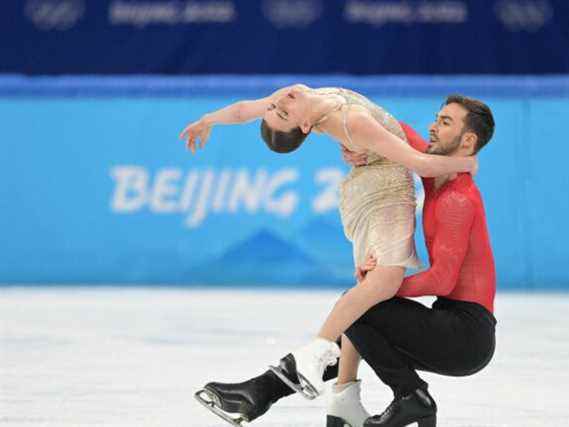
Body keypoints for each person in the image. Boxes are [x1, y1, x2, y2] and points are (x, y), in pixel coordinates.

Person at [179, 85, 476, 427]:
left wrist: (207, 120)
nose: (281, 100)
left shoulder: (293, 101)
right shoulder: (347, 121)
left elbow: (245, 108)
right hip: (383, 195)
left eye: (277, 105)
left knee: (367, 297)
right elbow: (418, 162)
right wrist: (467, 162)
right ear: (304, 127)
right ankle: (316, 352)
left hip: (373, 185)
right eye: (283, 112)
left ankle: (343, 396)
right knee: (381, 284)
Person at [344, 95, 497, 427]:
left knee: (358, 306)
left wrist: (381, 285)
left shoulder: (458, 199)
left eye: (445, 122)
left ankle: (411, 396)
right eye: (436, 118)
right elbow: (393, 130)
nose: (432, 126)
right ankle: (402, 396)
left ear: (468, 140)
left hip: (467, 338)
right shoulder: (435, 175)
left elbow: (442, 280)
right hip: (450, 322)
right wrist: (356, 142)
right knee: (357, 311)